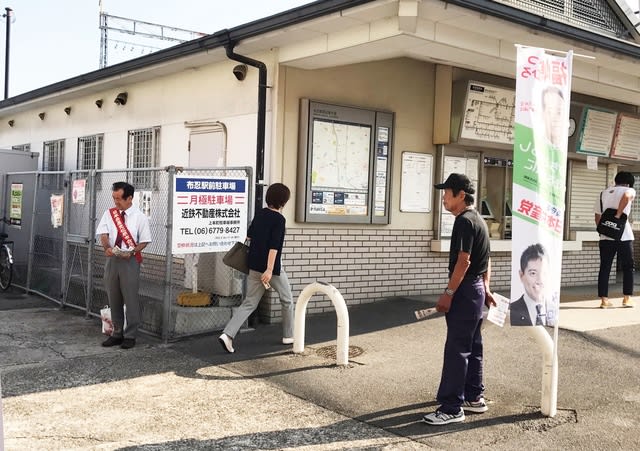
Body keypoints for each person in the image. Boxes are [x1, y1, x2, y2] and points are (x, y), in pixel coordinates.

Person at [422, 173, 495, 426]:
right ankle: (474, 397)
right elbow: (487, 258)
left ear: (461, 195)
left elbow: (464, 261)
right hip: (475, 290)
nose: (443, 197)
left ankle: (452, 407)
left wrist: (448, 294)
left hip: (464, 290)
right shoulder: (480, 220)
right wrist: (485, 288)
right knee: (473, 346)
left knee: (456, 349)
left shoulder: (464, 221)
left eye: (447, 193)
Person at [218, 183, 294, 353]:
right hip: (271, 269)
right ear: (283, 201)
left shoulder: (259, 214)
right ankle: (289, 336)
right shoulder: (279, 220)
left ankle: (228, 335)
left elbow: (249, 236)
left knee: (249, 303)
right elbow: (274, 247)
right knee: (287, 299)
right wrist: (269, 269)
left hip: (253, 266)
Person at [96, 182, 152, 349]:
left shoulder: (139, 217)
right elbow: (104, 233)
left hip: (130, 260)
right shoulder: (109, 213)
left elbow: (144, 241)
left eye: (119, 199)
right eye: (114, 198)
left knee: (130, 298)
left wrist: (133, 251)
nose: (116, 202)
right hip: (112, 259)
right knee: (114, 297)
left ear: (129, 198)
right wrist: (106, 247)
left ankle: (130, 334)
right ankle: (117, 333)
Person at [594, 171, 636, 309]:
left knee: (605, 267)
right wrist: (618, 215)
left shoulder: (603, 193)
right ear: (628, 182)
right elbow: (626, 196)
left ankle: (604, 300)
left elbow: (597, 217)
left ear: (616, 180)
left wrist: (605, 231)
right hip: (624, 236)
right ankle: (627, 298)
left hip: (606, 237)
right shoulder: (629, 190)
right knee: (628, 267)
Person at [511, 243, 550, 326]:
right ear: (521, 275)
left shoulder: (553, 308)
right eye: (533, 273)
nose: (539, 280)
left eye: (544, 273)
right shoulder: (512, 310)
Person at [541, 85, 566, 150]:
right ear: (542, 115)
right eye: (550, 112)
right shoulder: (536, 145)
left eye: (559, 112)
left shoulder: (562, 151)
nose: (555, 118)